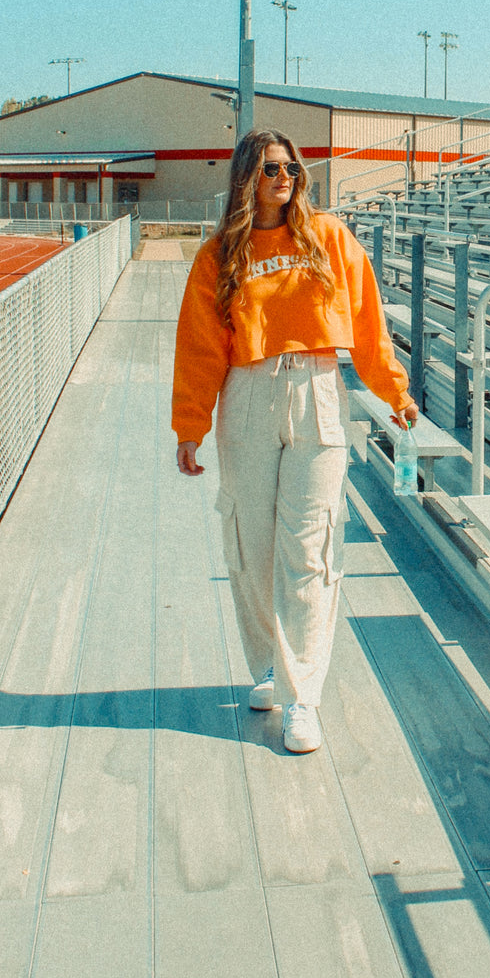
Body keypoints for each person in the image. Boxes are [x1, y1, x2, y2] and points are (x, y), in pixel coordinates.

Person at [172, 128, 417, 753]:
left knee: (309, 549)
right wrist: (189, 426)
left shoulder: (329, 237)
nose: (283, 178)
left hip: (318, 392)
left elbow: (368, 325)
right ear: (245, 178)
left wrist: (395, 393)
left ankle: (303, 696)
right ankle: (266, 669)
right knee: (251, 546)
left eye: (289, 168)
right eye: (269, 169)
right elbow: (201, 348)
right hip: (248, 395)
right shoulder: (220, 253)